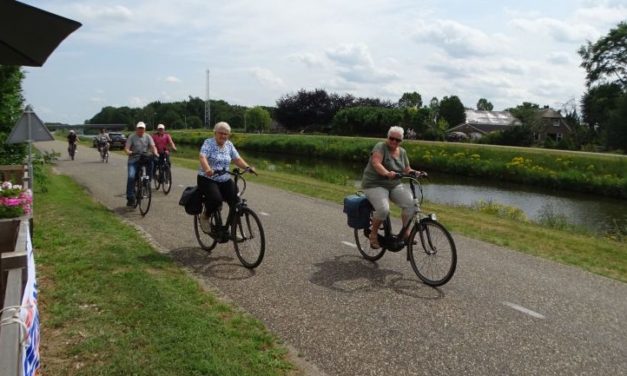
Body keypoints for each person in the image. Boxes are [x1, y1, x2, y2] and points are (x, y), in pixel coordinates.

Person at [361, 126, 422, 249]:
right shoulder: (380, 146)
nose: (394, 142)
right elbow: (376, 162)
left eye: (397, 140)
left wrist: (416, 172)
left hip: (394, 184)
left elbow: (407, 169)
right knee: (383, 210)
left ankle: (405, 232)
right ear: (387, 137)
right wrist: (386, 173)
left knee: (411, 204)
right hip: (375, 184)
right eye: (392, 138)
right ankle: (373, 234)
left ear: (401, 141)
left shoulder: (402, 152)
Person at [197, 121, 255, 231]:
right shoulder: (208, 143)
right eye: (221, 133)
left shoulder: (229, 144)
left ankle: (229, 228)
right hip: (208, 178)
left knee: (236, 201)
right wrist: (207, 169)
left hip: (224, 178)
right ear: (215, 133)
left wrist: (247, 168)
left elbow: (237, 159)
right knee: (216, 200)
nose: (223, 136)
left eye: (226, 134)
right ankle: (205, 217)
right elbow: (202, 157)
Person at [124, 122, 158, 207]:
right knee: (131, 177)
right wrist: (129, 152)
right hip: (133, 159)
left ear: (145, 129)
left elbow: (153, 146)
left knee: (152, 161)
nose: (141, 130)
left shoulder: (148, 136)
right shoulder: (132, 137)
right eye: (139, 128)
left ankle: (148, 181)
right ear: (136, 129)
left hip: (144, 158)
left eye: (142, 128)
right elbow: (126, 148)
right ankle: (130, 197)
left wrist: (156, 153)